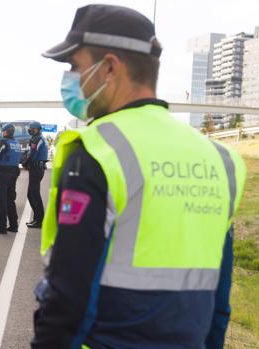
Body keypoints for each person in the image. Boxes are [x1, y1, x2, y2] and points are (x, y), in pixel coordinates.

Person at [32, 4, 246, 349]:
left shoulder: (99, 151)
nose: (69, 78)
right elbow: (219, 303)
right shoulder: (221, 160)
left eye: (75, 66)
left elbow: (68, 296)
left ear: (110, 68)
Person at [0, 123, 21, 234]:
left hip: (3, 174)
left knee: (2, 200)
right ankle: (14, 225)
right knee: (10, 200)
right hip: (14, 174)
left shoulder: (3, 142)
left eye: (3, 131)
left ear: (6, 132)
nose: (2, 132)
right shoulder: (17, 143)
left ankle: (1, 227)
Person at [22, 121, 48, 228]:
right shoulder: (39, 138)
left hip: (36, 168)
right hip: (37, 168)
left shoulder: (37, 139)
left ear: (37, 129)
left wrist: (25, 162)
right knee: (31, 194)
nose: (30, 130)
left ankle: (40, 220)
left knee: (35, 195)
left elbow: (33, 153)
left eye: (32, 128)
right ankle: (37, 219)